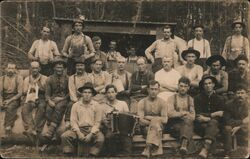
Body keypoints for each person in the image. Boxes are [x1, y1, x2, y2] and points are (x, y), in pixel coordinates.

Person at [61, 82, 104, 157]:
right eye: (85, 92)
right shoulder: (76, 105)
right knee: (65, 136)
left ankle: (92, 155)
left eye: (89, 92)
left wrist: (91, 134)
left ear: (92, 94)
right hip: (79, 129)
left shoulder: (97, 105)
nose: (87, 94)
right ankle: (69, 154)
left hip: (92, 130)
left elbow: (97, 123)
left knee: (100, 138)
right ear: (81, 94)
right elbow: (73, 121)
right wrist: (78, 133)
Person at [194, 75, 225, 158]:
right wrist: (213, 115)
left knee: (213, 123)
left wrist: (208, 118)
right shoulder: (197, 98)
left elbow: (221, 114)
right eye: (205, 84)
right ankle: (210, 151)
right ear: (203, 86)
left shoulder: (220, 98)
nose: (208, 86)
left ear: (213, 85)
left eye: (209, 83)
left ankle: (205, 149)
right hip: (201, 126)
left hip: (215, 124)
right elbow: (198, 114)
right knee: (213, 126)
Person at [137, 80, 168, 158]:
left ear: (158, 90)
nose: (153, 91)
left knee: (156, 127)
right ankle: (156, 153)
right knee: (155, 127)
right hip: (145, 129)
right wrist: (156, 121)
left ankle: (148, 148)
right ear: (148, 89)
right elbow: (140, 121)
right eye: (151, 89)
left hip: (160, 128)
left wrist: (149, 118)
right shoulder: (142, 102)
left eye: (155, 89)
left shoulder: (162, 102)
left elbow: (165, 120)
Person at [166, 77, 195, 155]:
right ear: (178, 86)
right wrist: (183, 114)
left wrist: (178, 114)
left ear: (188, 87)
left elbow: (193, 116)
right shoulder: (171, 98)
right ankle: (185, 145)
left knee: (187, 123)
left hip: (187, 123)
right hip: (174, 125)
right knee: (186, 127)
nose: (183, 88)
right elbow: (170, 114)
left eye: (185, 86)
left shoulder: (190, 99)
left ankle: (183, 146)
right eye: (181, 86)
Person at [101, 84, 131, 156]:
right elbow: (102, 120)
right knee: (109, 136)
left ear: (116, 93)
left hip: (123, 129)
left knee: (127, 136)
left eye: (112, 92)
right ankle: (113, 154)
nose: (111, 94)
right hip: (109, 128)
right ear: (106, 94)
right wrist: (105, 121)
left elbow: (128, 117)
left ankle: (126, 155)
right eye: (108, 92)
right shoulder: (103, 106)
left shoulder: (123, 104)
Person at [43, 57, 69, 139]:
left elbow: (70, 92)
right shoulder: (49, 79)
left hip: (64, 98)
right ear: (54, 68)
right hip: (53, 99)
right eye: (57, 67)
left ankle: (51, 132)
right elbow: (47, 94)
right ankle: (53, 133)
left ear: (63, 68)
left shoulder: (68, 78)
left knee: (58, 107)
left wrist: (62, 99)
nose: (59, 69)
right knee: (48, 110)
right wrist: (49, 101)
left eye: (61, 67)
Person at [21, 61, 48, 137]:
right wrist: (30, 88)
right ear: (30, 69)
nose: (35, 70)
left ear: (39, 68)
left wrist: (39, 88)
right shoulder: (27, 79)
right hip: (30, 96)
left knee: (42, 107)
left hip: (41, 97)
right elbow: (24, 91)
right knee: (25, 108)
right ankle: (30, 128)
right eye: (33, 68)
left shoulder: (44, 78)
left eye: (36, 68)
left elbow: (48, 91)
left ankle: (36, 129)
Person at [223, 84, 249, 157]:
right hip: (232, 127)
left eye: (242, 93)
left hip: (244, 128)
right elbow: (228, 120)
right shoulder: (228, 104)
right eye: (238, 93)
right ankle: (228, 153)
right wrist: (242, 122)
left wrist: (240, 126)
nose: (240, 95)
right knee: (227, 128)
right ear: (234, 94)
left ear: (246, 94)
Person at [65, 58, 91, 129]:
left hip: (86, 97)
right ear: (75, 67)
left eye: (81, 65)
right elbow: (72, 91)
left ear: (84, 67)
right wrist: (76, 101)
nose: (79, 67)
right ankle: (67, 121)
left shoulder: (88, 76)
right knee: (70, 104)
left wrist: (84, 98)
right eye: (78, 65)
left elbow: (89, 88)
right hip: (76, 98)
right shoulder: (72, 78)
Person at [0, 63, 23, 136]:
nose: (10, 70)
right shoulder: (2, 78)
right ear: (6, 69)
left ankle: (7, 128)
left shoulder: (19, 78)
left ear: (15, 70)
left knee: (10, 107)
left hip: (15, 98)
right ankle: (14, 117)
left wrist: (9, 100)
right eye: (9, 68)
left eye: (12, 68)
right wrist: (1, 101)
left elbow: (20, 93)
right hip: (4, 97)